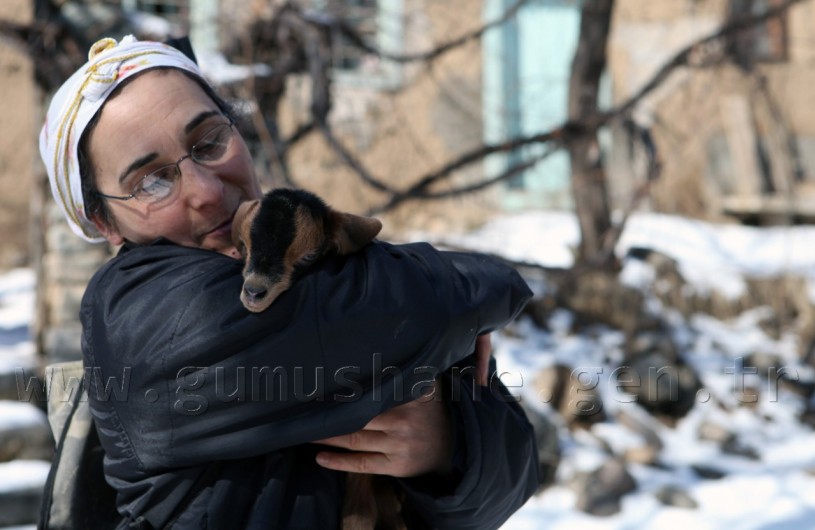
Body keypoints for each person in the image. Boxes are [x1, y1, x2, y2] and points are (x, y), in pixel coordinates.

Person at [39, 35, 539, 529]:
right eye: (150, 181)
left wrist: (446, 447)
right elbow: (428, 305)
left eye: (209, 141)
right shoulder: (136, 314)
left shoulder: (306, 256)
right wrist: (476, 285)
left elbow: (514, 470)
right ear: (104, 223)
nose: (207, 191)